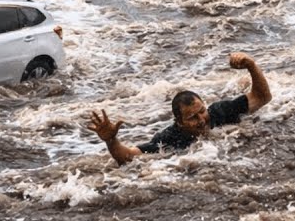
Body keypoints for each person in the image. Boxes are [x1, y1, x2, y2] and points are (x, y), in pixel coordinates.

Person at [88, 52, 272, 166]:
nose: (201, 120)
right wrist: (111, 140)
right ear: (179, 122)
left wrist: (251, 65)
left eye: (202, 111)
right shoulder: (169, 139)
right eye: (192, 117)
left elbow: (262, 97)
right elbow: (128, 157)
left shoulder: (220, 111)